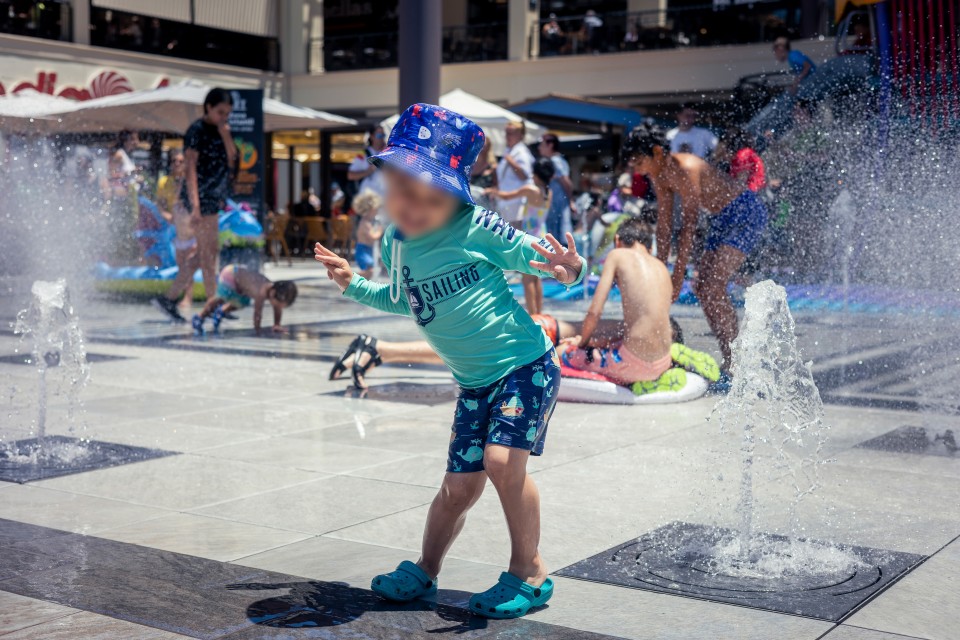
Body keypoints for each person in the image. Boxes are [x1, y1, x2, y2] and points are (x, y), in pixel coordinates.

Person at [313, 103, 585, 620]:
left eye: (429, 198)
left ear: (454, 195)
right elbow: (403, 298)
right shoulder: (398, 240)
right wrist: (353, 282)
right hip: (475, 383)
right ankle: (426, 568)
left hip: (524, 365)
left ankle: (529, 570)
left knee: (503, 462)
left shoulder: (475, 225)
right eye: (401, 194)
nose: (413, 208)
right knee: (457, 488)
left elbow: (540, 257)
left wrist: (571, 269)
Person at [624, 122, 768, 382]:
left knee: (713, 286)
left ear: (657, 152)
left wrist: (677, 276)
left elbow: (688, 226)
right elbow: (665, 226)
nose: (635, 168)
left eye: (637, 161)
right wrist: (659, 272)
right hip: (722, 218)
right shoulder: (658, 175)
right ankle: (732, 358)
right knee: (703, 287)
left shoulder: (686, 167)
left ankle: (738, 362)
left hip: (746, 212)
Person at [154, 88, 236, 322]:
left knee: (205, 255)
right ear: (208, 107)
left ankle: (170, 297)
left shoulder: (222, 131)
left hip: (213, 199)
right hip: (199, 200)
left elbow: (232, 158)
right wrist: (196, 207)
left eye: (227, 113)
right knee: (208, 256)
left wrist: (226, 134)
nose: (224, 117)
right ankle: (213, 305)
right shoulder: (196, 131)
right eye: (220, 112)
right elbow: (190, 169)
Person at [486, 157, 556, 315]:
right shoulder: (548, 192)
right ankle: (540, 313)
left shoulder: (531, 190)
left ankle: (533, 315)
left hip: (530, 240)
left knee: (527, 279)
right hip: (542, 236)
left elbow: (506, 196)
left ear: (536, 175)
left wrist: (493, 191)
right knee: (537, 278)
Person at [151, 150, 198, 316]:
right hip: (177, 228)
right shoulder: (167, 182)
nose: (177, 164)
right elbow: (161, 204)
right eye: (174, 161)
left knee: (190, 264)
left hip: (190, 230)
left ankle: (188, 297)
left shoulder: (189, 181)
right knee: (183, 266)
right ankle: (176, 296)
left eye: (180, 161)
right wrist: (167, 216)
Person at [191, 264, 298, 336]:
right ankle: (200, 316)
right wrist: (258, 330)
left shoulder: (272, 290)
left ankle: (221, 311)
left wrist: (277, 324)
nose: (278, 308)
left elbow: (277, 309)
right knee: (221, 298)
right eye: (278, 305)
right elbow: (257, 314)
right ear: (273, 293)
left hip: (241, 285)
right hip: (231, 274)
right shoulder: (260, 292)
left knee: (241, 302)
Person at [496, 121, 535, 227]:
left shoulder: (522, 152)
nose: (507, 136)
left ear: (520, 135)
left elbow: (524, 175)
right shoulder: (509, 150)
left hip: (516, 204)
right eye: (506, 132)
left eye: (511, 133)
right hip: (506, 202)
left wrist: (510, 160)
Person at [537, 133, 574, 240]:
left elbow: (566, 182)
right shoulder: (558, 160)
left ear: (550, 145)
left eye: (542, 145)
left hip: (558, 205)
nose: (539, 148)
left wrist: (571, 200)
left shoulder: (555, 161)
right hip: (557, 204)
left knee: (557, 236)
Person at [347, 125, 387, 198]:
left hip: (384, 196)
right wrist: (369, 171)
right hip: (368, 196)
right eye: (379, 135)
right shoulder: (363, 154)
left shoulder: (388, 153)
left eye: (383, 135)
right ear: (371, 136)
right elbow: (350, 175)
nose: (382, 138)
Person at [723, 127, 766, 193]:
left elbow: (741, 177)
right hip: (755, 190)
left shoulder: (741, 156)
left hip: (749, 192)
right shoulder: (748, 153)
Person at [353, 191, 383, 279]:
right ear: (370, 210)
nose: (377, 212)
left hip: (367, 250)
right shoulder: (365, 223)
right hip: (362, 250)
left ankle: (358, 285)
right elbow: (373, 237)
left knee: (369, 272)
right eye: (376, 210)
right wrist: (380, 230)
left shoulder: (369, 222)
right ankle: (350, 278)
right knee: (369, 271)